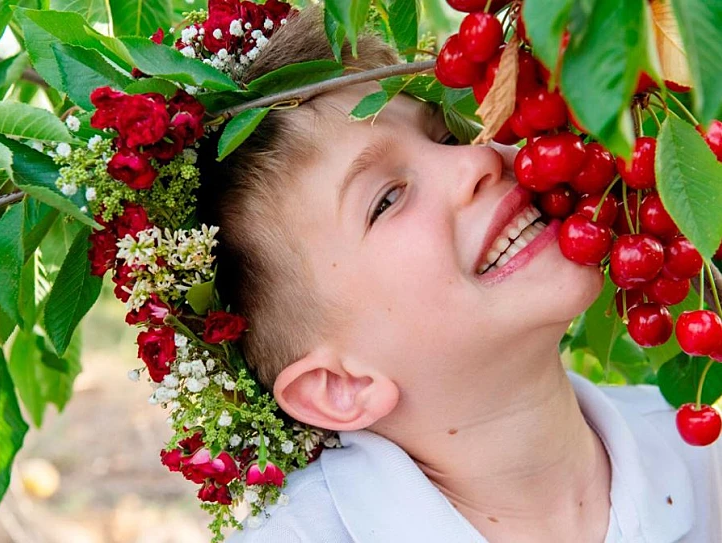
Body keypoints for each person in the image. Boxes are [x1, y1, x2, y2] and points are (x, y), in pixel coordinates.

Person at [191, 7, 722, 543]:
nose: (476, 161)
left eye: (446, 138)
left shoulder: (707, 465)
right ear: (341, 386)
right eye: (387, 200)